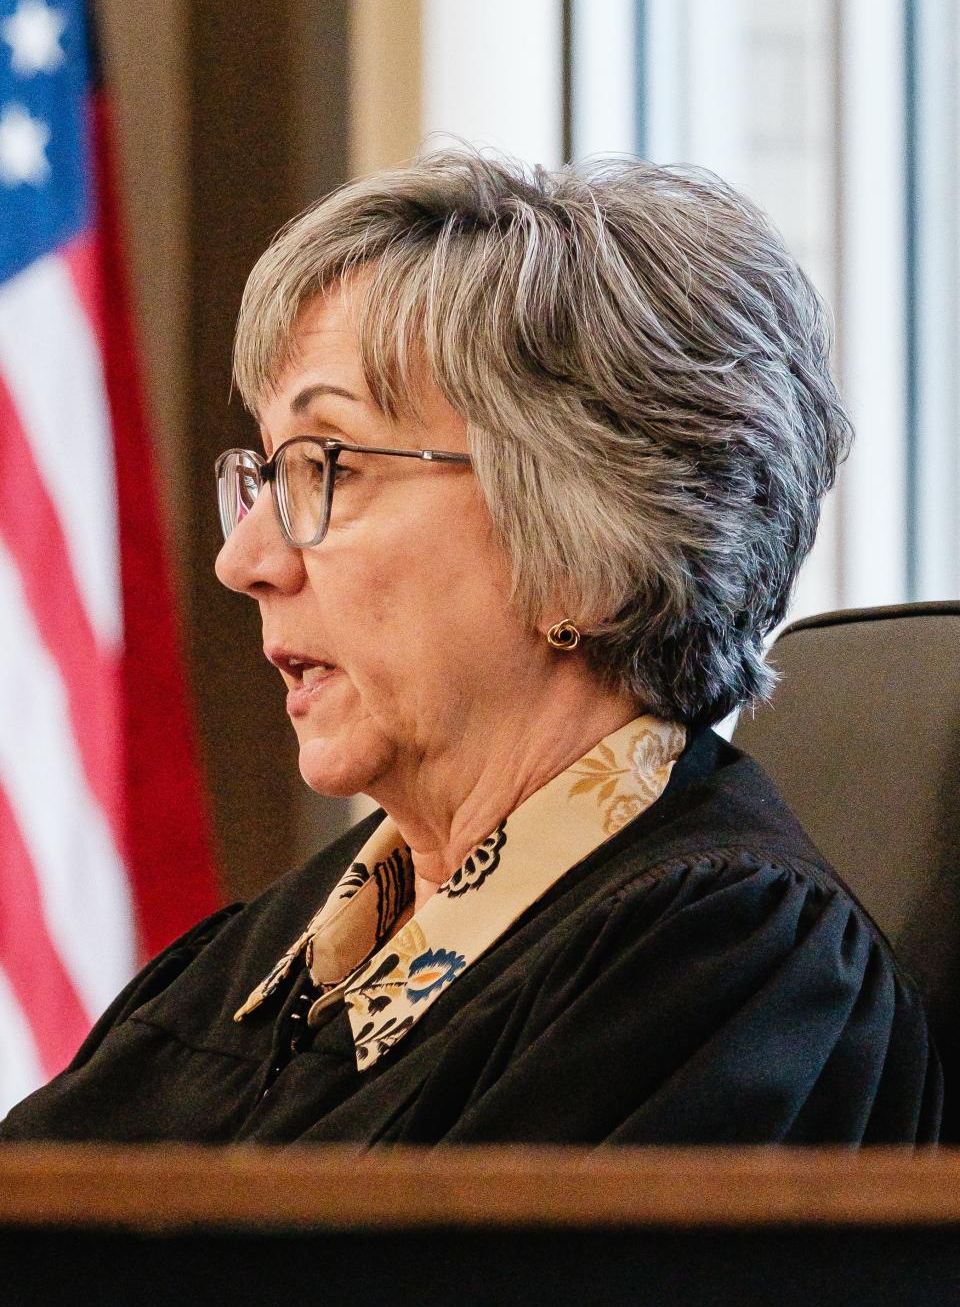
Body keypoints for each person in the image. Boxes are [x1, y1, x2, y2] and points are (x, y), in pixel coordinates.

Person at [0, 151, 940, 1144]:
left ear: (588, 550)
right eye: (268, 472)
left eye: (328, 466)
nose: (247, 558)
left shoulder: (729, 970)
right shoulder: (275, 958)